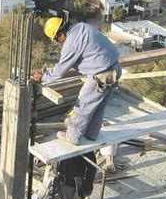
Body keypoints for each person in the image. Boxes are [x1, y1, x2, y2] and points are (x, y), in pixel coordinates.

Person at [32, 17, 121, 145]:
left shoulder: (71, 43)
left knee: (83, 104)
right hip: (115, 69)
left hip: (102, 74)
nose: (59, 42)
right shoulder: (81, 26)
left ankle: (72, 137)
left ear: (61, 34)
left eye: (57, 39)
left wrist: (43, 77)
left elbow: (60, 71)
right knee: (98, 105)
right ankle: (91, 134)